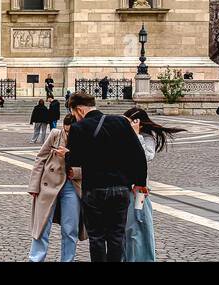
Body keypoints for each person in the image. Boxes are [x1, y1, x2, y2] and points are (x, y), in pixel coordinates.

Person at [64, 91, 147, 262]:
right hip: (120, 188)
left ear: (79, 110)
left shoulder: (79, 128)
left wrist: (65, 155)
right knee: (117, 236)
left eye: (73, 113)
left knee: (97, 238)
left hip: (94, 189)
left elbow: (75, 160)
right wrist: (139, 183)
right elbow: (138, 154)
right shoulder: (120, 122)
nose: (74, 117)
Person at [122, 106, 183, 263]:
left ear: (138, 123)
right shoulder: (123, 135)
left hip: (140, 191)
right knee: (125, 228)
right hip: (123, 188)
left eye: (128, 122)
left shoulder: (147, 138)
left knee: (140, 224)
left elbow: (146, 156)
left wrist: (136, 136)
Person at [28, 112, 85, 262]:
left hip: (72, 185)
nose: (67, 133)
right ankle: (35, 259)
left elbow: (92, 165)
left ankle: (68, 260)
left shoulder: (85, 138)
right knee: (42, 226)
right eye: (65, 130)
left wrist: (77, 172)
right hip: (49, 184)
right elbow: (40, 158)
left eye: (70, 131)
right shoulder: (55, 134)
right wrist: (34, 186)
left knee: (70, 228)